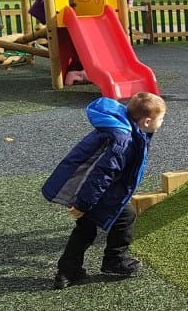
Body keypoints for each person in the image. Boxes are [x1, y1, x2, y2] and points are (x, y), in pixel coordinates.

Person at [42, 92, 167, 289]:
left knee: (88, 228)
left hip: (101, 191)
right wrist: (83, 204)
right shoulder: (124, 141)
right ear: (147, 121)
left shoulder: (129, 128)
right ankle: (113, 260)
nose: (162, 123)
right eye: (161, 119)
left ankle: (68, 270)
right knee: (123, 216)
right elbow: (102, 174)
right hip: (96, 193)